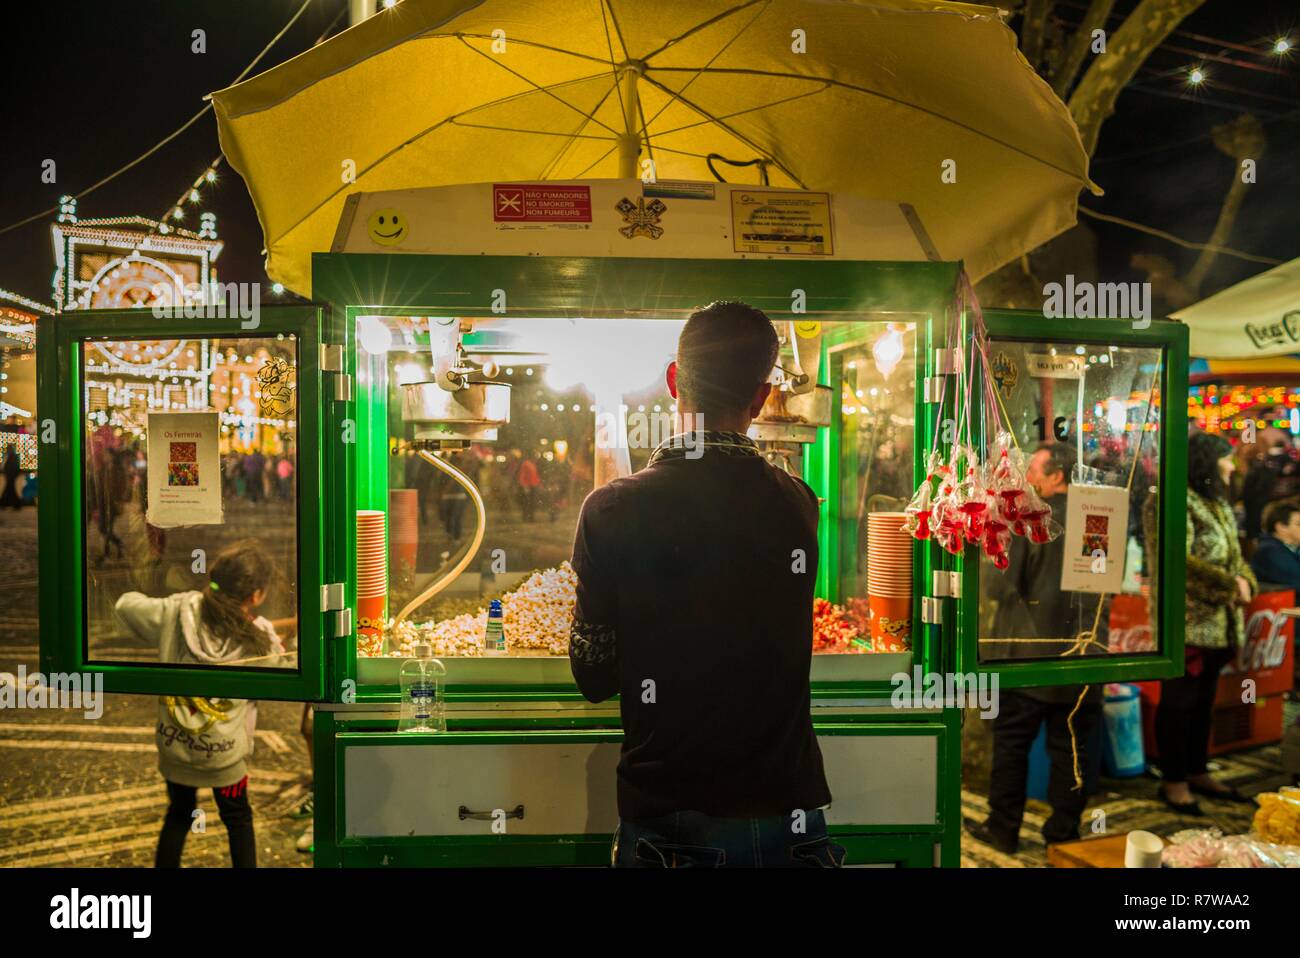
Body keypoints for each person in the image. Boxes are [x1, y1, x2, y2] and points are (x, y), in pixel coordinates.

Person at [568, 301, 841, 868]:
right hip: (791, 813)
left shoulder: (613, 508)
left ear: (673, 381)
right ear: (763, 397)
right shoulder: (799, 503)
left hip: (672, 814)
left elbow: (593, 675)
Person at [967, 442, 1103, 854]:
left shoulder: (1032, 517)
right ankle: (1063, 834)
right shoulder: (1099, 516)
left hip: (1029, 655)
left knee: (1012, 746)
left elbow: (998, 586)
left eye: (1035, 472)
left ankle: (1003, 829)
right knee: (1072, 752)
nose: (1027, 480)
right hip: (1084, 657)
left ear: (1056, 477)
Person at [113, 540, 284, 867]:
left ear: (213, 576)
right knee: (238, 819)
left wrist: (174, 605)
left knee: (178, 815)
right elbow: (279, 665)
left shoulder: (178, 611)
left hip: (177, 749)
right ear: (257, 595)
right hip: (225, 757)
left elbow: (124, 606)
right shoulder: (258, 637)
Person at [1155, 431, 1256, 814]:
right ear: (1206, 462)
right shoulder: (1175, 501)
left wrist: (1243, 580)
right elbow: (1176, 560)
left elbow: (1235, 554)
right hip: (1187, 624)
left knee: (1203, 704)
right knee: (1179, 704)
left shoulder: (1218, 503)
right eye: (1226, 458)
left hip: (1221, 624)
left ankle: (1196, 770)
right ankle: (1173, 781)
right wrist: (1229, 585)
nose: (1232, 465)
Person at [1250, 500, 1300, 590]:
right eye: (1299, 524)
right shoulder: (1269, 551)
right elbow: (1297, 579)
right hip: (1283, 602)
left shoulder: (1293, 548)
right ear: (1281, 527)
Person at [517, 453, 541, 522]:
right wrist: (524, 485)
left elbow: (535, 476)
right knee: (527, 503)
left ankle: (531, 517)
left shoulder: (533, 464)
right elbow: (522, 475)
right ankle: (526, 517)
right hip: (528, 486)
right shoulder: (526, 464)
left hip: (533, 486)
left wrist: (538, 484)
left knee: (532, 503)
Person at [0, 445, 22, 510]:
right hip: (10, 475)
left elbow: (12, 467)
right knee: (10, 489)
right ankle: (15, 504)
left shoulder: (12, 456)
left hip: (11, 475)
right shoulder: (9, 456)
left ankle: (6, 503)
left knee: (9, 489)